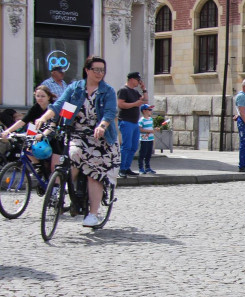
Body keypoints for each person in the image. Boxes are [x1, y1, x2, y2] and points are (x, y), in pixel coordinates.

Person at [35, 55, 120, 227]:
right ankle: (65, 188)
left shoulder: (107, 91)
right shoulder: (75, 89)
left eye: (102, 70)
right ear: (87, 70)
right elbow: (59, 105)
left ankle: (93, 214)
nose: (100, 73)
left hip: (100, 138)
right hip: (78, 134)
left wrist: (102, 126)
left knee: (94, 172)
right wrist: (44, 118)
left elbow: (110, 112)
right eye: (96, 69)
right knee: (72, 154)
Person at [1, 85, 59, 170]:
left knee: (53, 167)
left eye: (43, 96)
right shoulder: (35, 108)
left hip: (55, 137)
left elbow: (53, 124)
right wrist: (8, 131)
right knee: (27, 148)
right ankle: (38, 167)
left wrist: (43, 134)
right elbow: (23, 121)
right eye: (38, 96)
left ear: (49, 97)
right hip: (40, 136)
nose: (40, 98)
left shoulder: (53, 108)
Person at [117, 71, 147, 178]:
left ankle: (127, 167)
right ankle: (121, 168)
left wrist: (144, 89)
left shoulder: (135, 92)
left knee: (134, 146)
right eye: (138, 80)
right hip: (126, 121)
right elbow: (120, 104)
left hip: (134, 122)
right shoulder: (123, 90)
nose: (139, 82)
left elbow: (145, 100)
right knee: (126, 146)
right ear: (131, 79)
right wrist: (135, 104)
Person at [137, 104, 156, 174]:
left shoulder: (151, 119)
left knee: (149, 153)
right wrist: (149, 131)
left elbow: (151, 128)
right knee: (142, 153)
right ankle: (141, 168)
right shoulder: (141, 120)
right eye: (149, 110)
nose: (151, 111)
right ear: (144, 111)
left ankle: (147, 167)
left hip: (150, 139)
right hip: (144, 139)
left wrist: (154, 130)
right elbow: (140, 129)